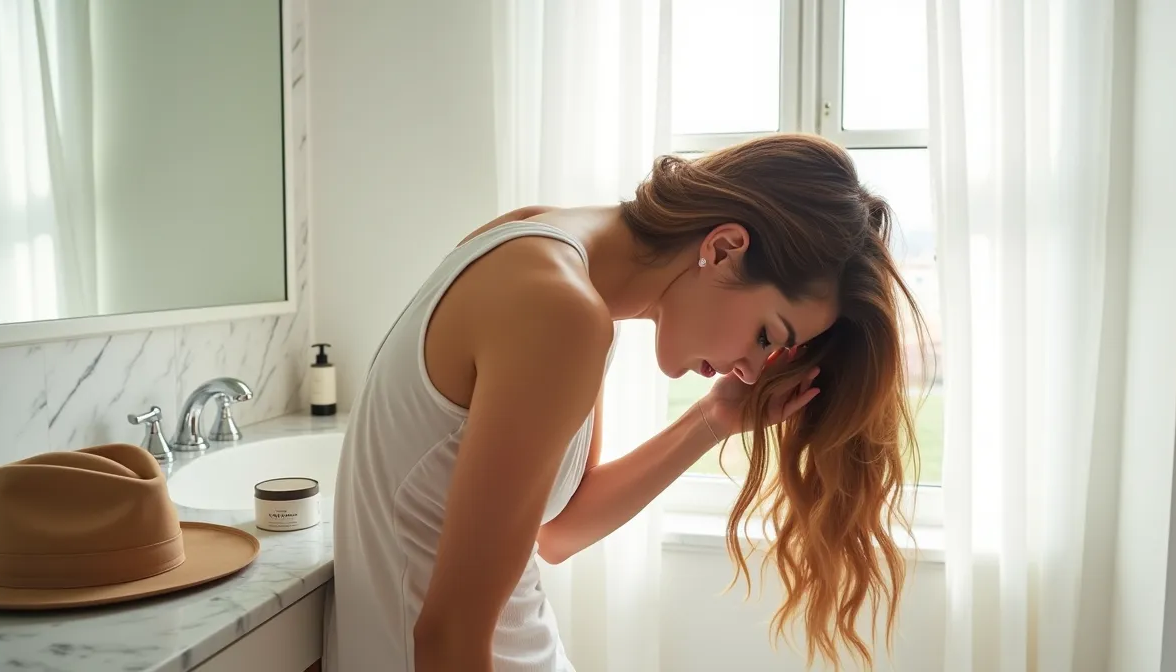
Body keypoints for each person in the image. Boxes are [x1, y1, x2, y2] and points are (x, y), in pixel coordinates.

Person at [322, 133, 928, 671]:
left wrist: (714, 417)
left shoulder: (552, 258)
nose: (752, 367)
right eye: (768, 334)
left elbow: (557, 531)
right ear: (723, 248)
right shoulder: (559, 310)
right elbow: (447, 637)